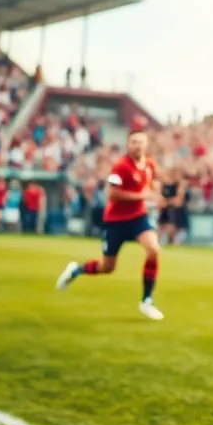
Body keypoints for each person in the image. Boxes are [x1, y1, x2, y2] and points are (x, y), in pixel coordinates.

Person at [57, 130, 165, 321]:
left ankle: (146, 300)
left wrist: (155, 192)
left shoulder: (148, 164)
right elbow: (112, 194)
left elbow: (153, 181)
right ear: (128, 144)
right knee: (107, 267)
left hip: (138, 217)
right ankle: (76, 270)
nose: (137, 145)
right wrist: (143, 196)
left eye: (141, 142)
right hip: (116, 221)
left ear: (146, 145)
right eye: (133, 142)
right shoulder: (120, 166)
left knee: (153, 250)